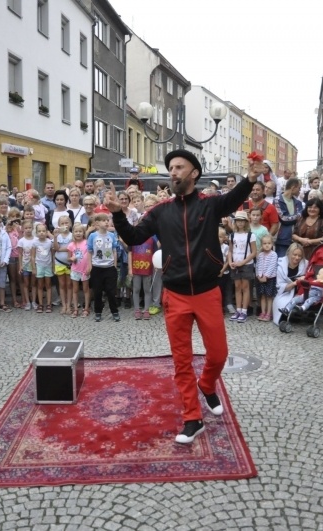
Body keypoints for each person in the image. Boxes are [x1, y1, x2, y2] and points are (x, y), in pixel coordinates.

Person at [107, 149, 261, 444]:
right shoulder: (161, 211)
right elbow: (136, 237)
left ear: (194, 174)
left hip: (206, 292)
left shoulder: (210, 205)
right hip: (175, 295)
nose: (173, 172)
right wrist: (117, 213)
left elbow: (233, 198)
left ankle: (207, 384)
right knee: (182, 361)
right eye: (171, 168)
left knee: (218, 355)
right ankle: (192, 417)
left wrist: (250, 179)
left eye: (179, 167)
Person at [85, 213, 120, 322]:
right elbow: (89, 251)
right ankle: (98, 312)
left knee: (111, 291)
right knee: (97, 291)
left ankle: (114, 311)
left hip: (109, 267)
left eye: (107, 220)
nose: (106, 222)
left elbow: (114, 250)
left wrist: (114, 265)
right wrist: (90, 265)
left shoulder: (111, 235)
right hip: (97, 267)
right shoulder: (93, 236)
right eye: (103, 220)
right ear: (96, 223)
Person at [228, 211, 257, 323]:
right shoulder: (232, 235)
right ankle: (238, 310)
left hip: (246, 264)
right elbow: (230, 250)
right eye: (238, 220)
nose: (240, 223)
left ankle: (244, 310)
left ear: (246, 222)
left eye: (242, 221)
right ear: (235, 222)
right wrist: (230, 261)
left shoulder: (251, 235)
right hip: (235, 264)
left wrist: (243, 262)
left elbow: (254, 252)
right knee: (237, 287)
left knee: (245, 287)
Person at [273, 243, 307, 323]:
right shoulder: (281, 264)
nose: (297, 258)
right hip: (286, 291)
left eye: (299, 256)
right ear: (289, 253)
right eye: (294, 255)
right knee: (280, 303)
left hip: (300, 292)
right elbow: (280, 286)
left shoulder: (306, 264)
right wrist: (295, 283)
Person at [128, 231, 156, 320]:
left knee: (147, 290)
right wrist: (130, 268)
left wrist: (155, 265)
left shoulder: (152, 240)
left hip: (147, 269)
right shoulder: (132, 239)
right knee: (136, 289)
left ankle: (146, 310)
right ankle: (137, 310)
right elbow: (130, 253)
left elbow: (155, 254)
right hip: (136, 269)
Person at [273, 177, 303, 257]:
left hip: (296, 239)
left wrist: (298, 216)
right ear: (293, 188)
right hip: (282, 239)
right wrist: (299, 215)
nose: (300, 191)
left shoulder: (298, 203)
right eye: (299, 188)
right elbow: (283, 218)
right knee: (281, 263)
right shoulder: (277, 200)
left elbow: (301, 219)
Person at [68, 222, 90, 317]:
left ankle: (86, 308)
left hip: (85, 270)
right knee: (75, 290)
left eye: (80, 231)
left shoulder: (87, 243)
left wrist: (89, 267)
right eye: (76, 231)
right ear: (73, 233)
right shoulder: (71, 245)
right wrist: (71, 259)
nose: (78, 233)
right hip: (75, 270)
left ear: (83, 233)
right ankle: (75, 309)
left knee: (86, 289)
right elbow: (68, 258)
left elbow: (90, 256)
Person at [31, 222, 54, 313]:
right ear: (36, 233)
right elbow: (32, 256)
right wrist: (34, 268)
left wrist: (53, 267)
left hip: (48, 265)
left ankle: (49, 303)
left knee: (48, 285)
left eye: (43, 231)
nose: (41, 233)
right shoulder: (35, 242)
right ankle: (40, 304)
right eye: (39, 231)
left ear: (46, 232)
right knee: (40, 285)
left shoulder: (49, 242)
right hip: (39, 265)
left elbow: (52, 255)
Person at [255, 234, 278, 322]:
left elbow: (272, 266)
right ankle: (263, 312)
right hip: (261, 278)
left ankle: (269, 313)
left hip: (270, 279)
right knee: (262, 296)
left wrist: (266, 276)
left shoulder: (273, 254)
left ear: (272, 244)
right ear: (262, 245)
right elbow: (258, 265)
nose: (267, 245)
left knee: (269, 296)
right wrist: (258, 275)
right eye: (264, 243)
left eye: (269, 243)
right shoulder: (260, 255)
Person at [53, 217, 73, 315]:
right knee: (62, 285)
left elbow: (72, 248)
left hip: (70, 264)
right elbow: (56, 248)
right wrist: (55, 237)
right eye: (62, 223)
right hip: (59, 263)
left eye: (66, 223)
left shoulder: (72, 235)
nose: (64, 225)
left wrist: (61, 249)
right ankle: (64, 305)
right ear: (59, 225)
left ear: (70, 224)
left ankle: (69, 305)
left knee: (69, 285)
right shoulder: (58, 236)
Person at [17, 221, 35, 310]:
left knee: (33, 283)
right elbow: (20, 254)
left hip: (34, 265)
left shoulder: (35, 240)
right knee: (26, 283)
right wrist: (20, 265)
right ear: (23, 229)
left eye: (29, 228)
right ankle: (27, 302)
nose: (28, 230)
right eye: (26, 228)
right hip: (25, 265)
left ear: (32, 228)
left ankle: (34, 301)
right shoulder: (21, 241)